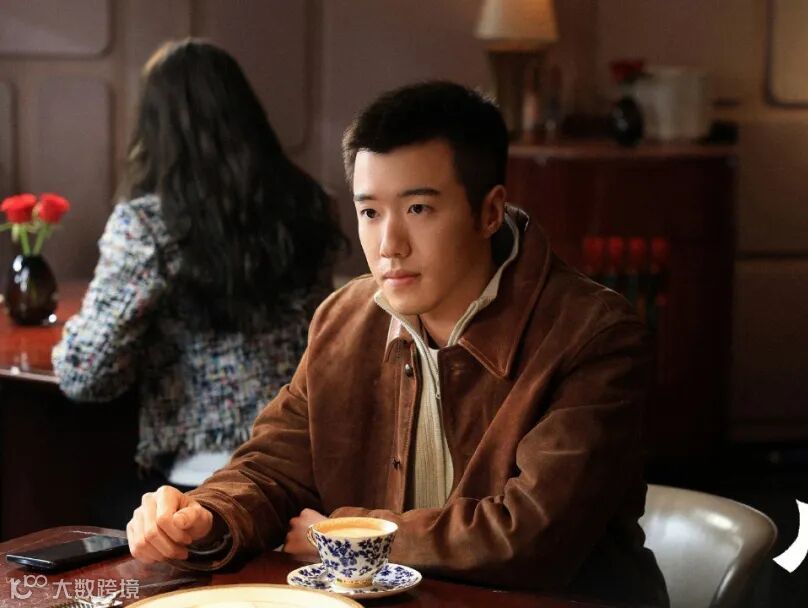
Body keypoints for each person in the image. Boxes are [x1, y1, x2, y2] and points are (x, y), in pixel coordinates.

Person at [125, 81, 668, 606]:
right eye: (369, 212)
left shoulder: (594, 334)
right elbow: (272, 468)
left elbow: (531, 535)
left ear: (489, 212)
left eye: (418, 209)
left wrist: (345, 534)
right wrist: (204, 516)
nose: (389, 245)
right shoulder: (344, 318)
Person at [52, 39, 344, 523]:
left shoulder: (147, 224)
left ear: (155, 125)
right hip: (304, 467)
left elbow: (85, 375)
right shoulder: (311, 204)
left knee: (74, 512)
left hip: (202, 481)